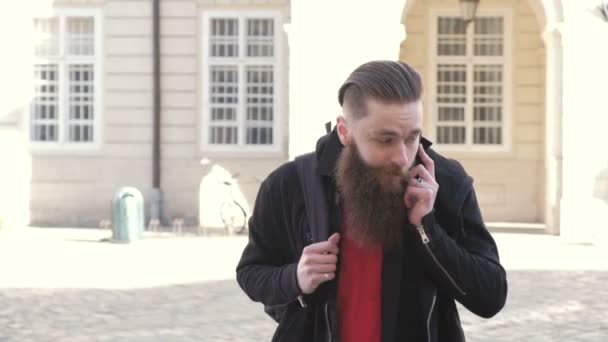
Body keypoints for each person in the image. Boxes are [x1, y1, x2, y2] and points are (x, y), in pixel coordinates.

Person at [236, 60, 507, 342]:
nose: (403, 157)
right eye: (385, 140)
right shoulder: (290, 184)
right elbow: (251, 272)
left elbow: (491, 297)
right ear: (345, 131)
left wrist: (427, 229)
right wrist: (295, 278)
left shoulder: (447, 183)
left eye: (412, 137)